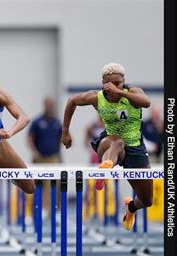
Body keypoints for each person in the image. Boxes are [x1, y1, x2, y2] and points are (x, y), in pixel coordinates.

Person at [61, 62, 153, 230]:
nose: (112, 87)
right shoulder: (97, 97)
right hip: (109, 143)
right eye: (108, 83)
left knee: (147, 200)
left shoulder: (132, 92)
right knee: (117, 141)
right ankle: (106, 167)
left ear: (123, 81)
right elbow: (72, 101)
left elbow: (146, 103)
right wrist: (65, 131)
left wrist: (120, 92)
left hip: (135, 147)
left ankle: (131, 207)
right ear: (103, 82)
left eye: (117, 83)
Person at [27, 97, 62, 216]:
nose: (50, 107)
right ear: (44, 105)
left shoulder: (57, 122)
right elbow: (30, 138)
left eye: (52, 105)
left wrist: (58, 153)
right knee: (35, 186)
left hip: (52, 158)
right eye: (48, 105)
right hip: (39, 159)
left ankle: (51, 212)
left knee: (52, 186)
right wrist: (35, 153)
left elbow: (61, 138)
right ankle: (34, 212)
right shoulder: (37, 121)